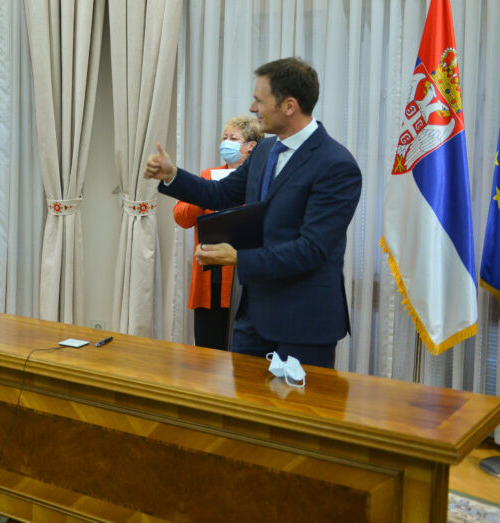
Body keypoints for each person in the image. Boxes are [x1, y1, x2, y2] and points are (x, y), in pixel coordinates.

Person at [144, 57, 362, 369]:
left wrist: (237, 258)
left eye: (260, 100)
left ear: (289, 105)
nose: (252, 108)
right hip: (253, 319)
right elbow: (220, 194)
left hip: (304, 325)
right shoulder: (264, 151)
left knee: (294, 404)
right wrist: (172, 174)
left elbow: (311, 249)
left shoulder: (336, 165)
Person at [173, 115, 262, 351]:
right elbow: (181, 217)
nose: (226, 143)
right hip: (210, 274)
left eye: (233, 138)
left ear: (251, 146)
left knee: (243, 353)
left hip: (244, 275)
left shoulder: (260, 181)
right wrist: (206, 196)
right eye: (224, 138)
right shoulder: (208, 176)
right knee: (208, 351)